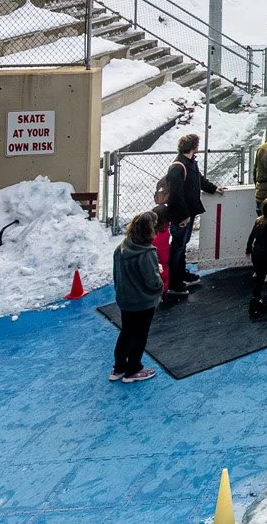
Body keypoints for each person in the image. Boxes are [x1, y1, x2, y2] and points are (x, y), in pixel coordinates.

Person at [157, 132, 219, 297]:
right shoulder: (178, 166)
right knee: (177, 246)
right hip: (181, 215)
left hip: (188, 213)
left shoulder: (189, 163)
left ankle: (180, 273)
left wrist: (213, 188)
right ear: (193, 147)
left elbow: (199, 180)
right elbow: (176, 195)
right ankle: (174, 280)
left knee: (182, 245)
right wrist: (184, 216)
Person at [110, 212, 164, 383]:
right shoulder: (146, 253)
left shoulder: (121, 248)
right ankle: (133, 368)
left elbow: (116, 274)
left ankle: (119, 367)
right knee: (140, 335)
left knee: (126, 332)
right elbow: (152, 281)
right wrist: (160, 283)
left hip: (125, 300)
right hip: (143, 302)